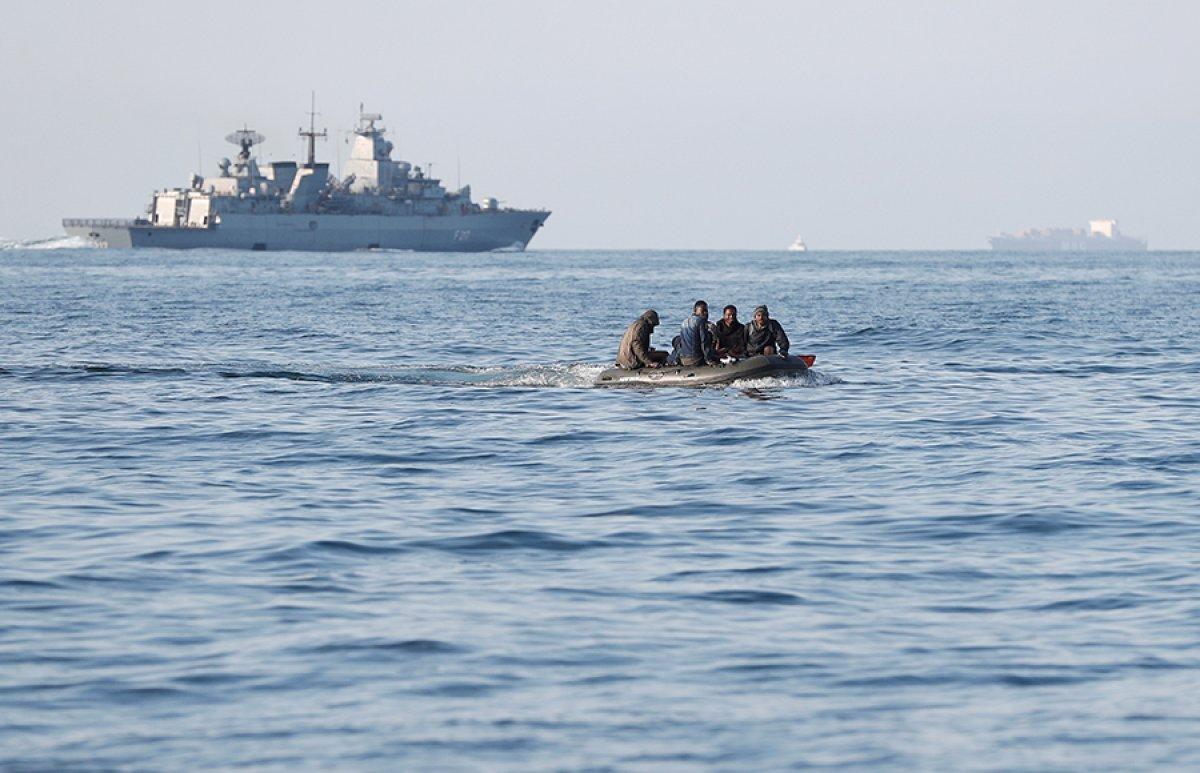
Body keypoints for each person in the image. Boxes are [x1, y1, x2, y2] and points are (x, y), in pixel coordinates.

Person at [669, 300, 720, 366]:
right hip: (696, 360)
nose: (705, 313)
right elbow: (704, 343)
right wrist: (709, 360)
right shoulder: (701, 321)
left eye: (706, 311)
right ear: (695, 311)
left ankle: (674, 361)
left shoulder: (684, 322)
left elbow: (682, 344)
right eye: (703, 311)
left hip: (683, 360)